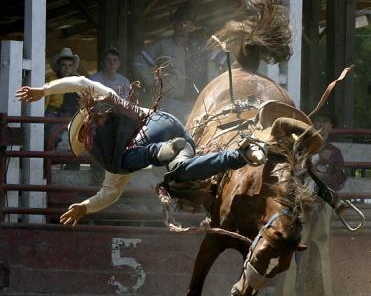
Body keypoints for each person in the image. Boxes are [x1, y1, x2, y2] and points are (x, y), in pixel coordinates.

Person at [16, 76, 267, 227]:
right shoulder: (113, 154)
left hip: (153, 126)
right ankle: (241, 154)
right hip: (173, 130)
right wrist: (85, 206)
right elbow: (109, 193)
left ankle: (162, 151)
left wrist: (45, 89)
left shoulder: (106, 113)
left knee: (124, 164)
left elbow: (81, 82)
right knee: (181, 172)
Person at [280, 114, 347, 296]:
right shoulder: (303, 149)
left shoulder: (334, 152)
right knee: (293, 248)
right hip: (301, 204)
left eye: (325, 122)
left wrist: (319, 176)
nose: (320, 126)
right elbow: (294, 171)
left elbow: (340, 180)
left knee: (320, 251)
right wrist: (316, 162)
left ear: (331, 127)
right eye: (317, 122)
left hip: (323, 205)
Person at [133, 4, 209, 122]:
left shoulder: (200, 47)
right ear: (174, 24)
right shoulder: (164, 45)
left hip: (195, 102)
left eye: (186, 22)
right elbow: (139, 61)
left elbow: (218, 60)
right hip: (171, 102)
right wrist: (152, 83)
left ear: (192, 26)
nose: (182, 26)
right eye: (179, 22)